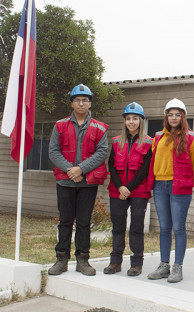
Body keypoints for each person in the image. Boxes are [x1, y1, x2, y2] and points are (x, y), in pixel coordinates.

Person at [48, 84, 108, 276]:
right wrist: (70, 170)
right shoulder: (60, 125)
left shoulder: (99, 128)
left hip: (87, 183)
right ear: (72, 103)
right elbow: (53, 151)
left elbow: (101, 153)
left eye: (85, 100)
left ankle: (83, 260)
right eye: (77, 100)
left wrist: (81, 169)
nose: (81, 103)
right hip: (65, 182)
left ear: (90, 103)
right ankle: (61, 259)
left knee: (83, 222)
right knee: (65, 221)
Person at [147, 98, 194, 283]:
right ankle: (164, 265)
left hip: (180, 187)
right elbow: (153, 161)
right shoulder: (158, 137)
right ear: (166, 117)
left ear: (183, 116)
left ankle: (177, 267)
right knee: (164, 228)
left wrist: (184, 182)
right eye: (170, 114)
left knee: (178, 228)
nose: (173, 118)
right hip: (160, 187)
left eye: (177, 114)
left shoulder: (191, 138)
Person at [104, 102, 153, 277]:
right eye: (128, 119)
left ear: (141, 121)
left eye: (135, 119)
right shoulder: (117, 141)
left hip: (138, 191)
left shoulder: (149, 143)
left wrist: (129, 187)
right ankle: (115, 261)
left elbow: (145, 169)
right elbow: (111, 165)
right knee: (117, 226)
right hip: (117, 190)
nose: (131, 122)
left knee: (136, 227)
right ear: (124, 121)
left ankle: (137, 263)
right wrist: (120, 187)